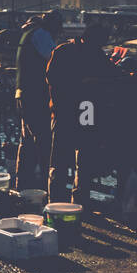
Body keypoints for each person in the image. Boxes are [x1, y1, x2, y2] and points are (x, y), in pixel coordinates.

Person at [46, 20, 120, 208]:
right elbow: (113, 77)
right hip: (80, 111)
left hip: (66, 112)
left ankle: (57, 203)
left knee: (64, 163)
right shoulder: (92, 54)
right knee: (80, 162)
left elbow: (51, 78)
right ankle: (75, 204)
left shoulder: (63, 51)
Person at [14, 10, 62, 190]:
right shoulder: (41, 35)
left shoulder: (28, 33)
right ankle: (45, 187)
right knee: (43, 141)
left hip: (23, 93)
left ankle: (23, 185)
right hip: (36, 95)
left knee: (26, 142)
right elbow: (54, 59)